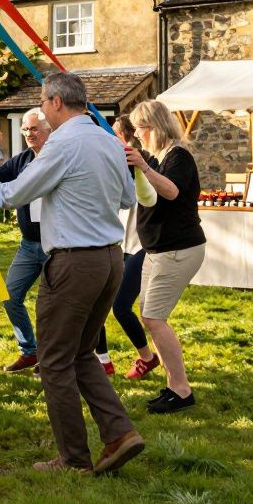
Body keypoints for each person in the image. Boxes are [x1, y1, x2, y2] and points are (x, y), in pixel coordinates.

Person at [0, 73, 143, 475]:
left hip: (74, 262)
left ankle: (74, 460)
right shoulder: (108, 140)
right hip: (111, 259)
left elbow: (13, 194)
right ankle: (120, 433)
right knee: (80, 352)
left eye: (43, 101)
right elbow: (129, 197)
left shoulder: (63, 142)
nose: (41, 108)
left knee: (55, 360)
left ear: (57, 102)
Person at [125, 101, 205, 415]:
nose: (137, 135)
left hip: (178, 249)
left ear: (154, 127)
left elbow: (171, 192)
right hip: (158, 251)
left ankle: (181, 390)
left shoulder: (178, 156)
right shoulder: (157, 156)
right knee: (151, 317)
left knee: (154, 319)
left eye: (139, 129)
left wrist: (144, 168)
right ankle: (173, 385)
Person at [0, 108, 49, 375]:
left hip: (58, 246)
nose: (29, 134)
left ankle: (53, 360)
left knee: (49, 307)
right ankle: (29, 352)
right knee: (10, 295)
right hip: (29, 245)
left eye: (34, 129)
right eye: (25, 129)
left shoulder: (57, 158)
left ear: (48, 130)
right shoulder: (22, 160)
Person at [110, 115, 160, 381]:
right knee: (130, 308)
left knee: (122, 307)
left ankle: (148, 358)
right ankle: (147, 356)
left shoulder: (138, 159)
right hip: (123, 242)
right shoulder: (123, 158)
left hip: (142, 244)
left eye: (115, 134)